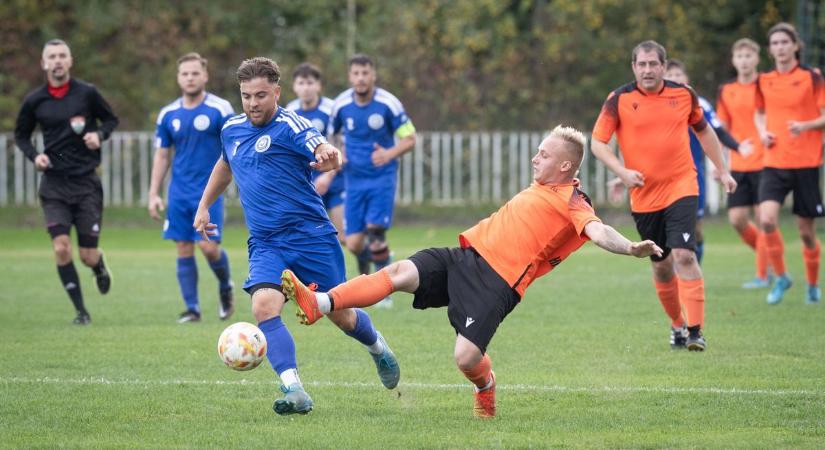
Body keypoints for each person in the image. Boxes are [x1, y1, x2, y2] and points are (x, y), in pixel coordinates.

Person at [281, 125, 663, 418]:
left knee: (465, 358)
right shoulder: (540, 186)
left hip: (496, 284)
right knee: (399, 272)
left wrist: (630, 247)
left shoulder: (573, 200)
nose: (535, 159)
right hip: (463, 257)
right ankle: (320, 302)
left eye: (543, 154)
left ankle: (486, 385)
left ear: (565, 165)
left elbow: (597, 230)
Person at [194, 57, 400, 416]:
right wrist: (204, 205)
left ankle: (378, 348)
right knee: (263, 306)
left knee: (343, 316)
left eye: (260, 95)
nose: (253, 103)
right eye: (246, 96)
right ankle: (294, 389)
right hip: (266, 242)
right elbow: (225, 164)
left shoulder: (291, 124)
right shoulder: (231, 129)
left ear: (277, 92)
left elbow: (321, 149)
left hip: (311, 237)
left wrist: (327, 156)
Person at [590, 40, 737, 352]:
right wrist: (622, 172)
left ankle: (696, 332)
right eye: (641, 64)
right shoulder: (619, 99)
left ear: (663, 66)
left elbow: (705, 131)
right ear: (633, 67)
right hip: (644, 195)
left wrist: (722, 170)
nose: (647, 70)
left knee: (684, 254)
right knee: (661, 264)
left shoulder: (683, 95)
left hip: (682, 185)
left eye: (653, 64)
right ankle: (677, 325)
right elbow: (598, 143)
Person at [14, 39, 118, 325]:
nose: (58, 61)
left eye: (62, 56)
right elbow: (21, 135)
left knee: (86, 255)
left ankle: (98, 266)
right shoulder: (35, 100)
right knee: (61, 247)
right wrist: (35, 156)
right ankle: (81, 312)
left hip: (86, 185)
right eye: (52, 56)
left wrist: (100, 135)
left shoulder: (87, 93)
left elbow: (110, 120)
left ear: (70, 61)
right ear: (44, 63)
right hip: (54, 185)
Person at [148, 52, 236, 323]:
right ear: (178, 78)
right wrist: (153, 193)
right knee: (184, 247)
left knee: (208, 248)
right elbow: (162, 155)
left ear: (205, 76)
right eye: (185, 73)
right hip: (179, 193)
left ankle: (225, 287)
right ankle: (192, 309)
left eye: (195, 73)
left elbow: (234, 149)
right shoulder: (168, 114)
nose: (190, 78)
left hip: (210, 193)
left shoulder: (220, 109)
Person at [331, 54, 417, 307]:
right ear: (350, 76)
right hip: (353, 181)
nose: (360, 78)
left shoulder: (388, 104)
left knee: (375, 231)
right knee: (354, 242)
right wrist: (339, 153)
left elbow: (410, 138)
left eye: (365, 73)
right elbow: (332, 135)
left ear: (373, 75)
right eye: (356, 73)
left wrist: (388, 153)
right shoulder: (341, 105)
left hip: (382, 179)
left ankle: (383, 291)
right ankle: (378, 267)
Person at [754, 23, 825, 305]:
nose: (780, 47)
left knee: (806, 232)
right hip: (774, 161)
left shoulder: (812, 77)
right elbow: (758, 113)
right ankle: (782, 276)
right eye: (775, 43)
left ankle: (812, 283)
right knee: (766, 218)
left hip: (806, 162)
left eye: (785, 42)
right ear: (770, 50)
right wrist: (762, 132)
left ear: (796, 46)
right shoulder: (764, 80)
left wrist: (805, 125)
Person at [663, 59, 750, 264]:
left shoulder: (698, 103)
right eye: (670, 75)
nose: (674, 79)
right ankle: (676, 268)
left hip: (692, 175)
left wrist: (738, 147)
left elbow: (717, 131)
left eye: (678, 75)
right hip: (664, 177)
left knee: (696, 228)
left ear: (686, 79)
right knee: (668, 226)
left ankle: (694, 264)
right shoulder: (655, 105)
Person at [716, 38, 774, 289]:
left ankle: (763, 274)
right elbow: (720, 129)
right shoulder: (726, 91)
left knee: (764, 218)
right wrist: (719, 165)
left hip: (767, 161)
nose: (744, 60)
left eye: (749, 56)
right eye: (740, 56)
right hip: (739, 164)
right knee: (737, 219)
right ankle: (769, 258)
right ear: (733, 60)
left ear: (757, 59)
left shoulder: (768, 85)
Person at [286, 63, 344, 243]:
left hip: (334, 180)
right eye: (301, 83)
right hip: (305, 182)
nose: (306, 88)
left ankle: (365, 262)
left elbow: (341, 146)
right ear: (294, 86)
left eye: (310, 83)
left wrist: (328, 177)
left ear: (318, 85)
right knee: (310, 237)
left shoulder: (332, 109)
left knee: (343, 237)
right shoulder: (290, 111)